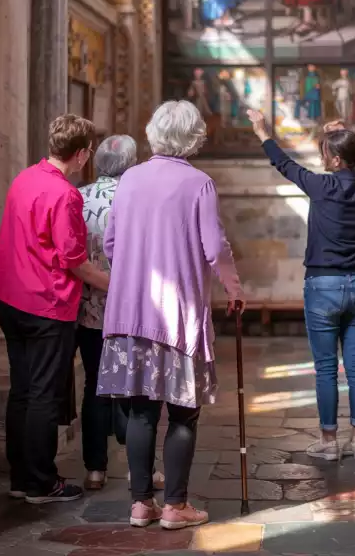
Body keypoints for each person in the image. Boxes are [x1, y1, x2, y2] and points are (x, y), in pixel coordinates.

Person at [97, 100, 245, 529]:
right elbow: (214, 248)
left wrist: (132, 272)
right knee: (183, 411)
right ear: (193, 136)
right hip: (176, 317)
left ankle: (142, 504)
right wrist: (234, 288)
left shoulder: (129, 179)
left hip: (130, 312)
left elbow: (110, 244)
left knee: (141, 410)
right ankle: (176, 507)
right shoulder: (198, 183)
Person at [0, 114, 110, 504]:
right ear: (81, 153)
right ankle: (42, 482)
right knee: (43, 394)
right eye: (88, 152)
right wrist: (122, 286)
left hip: (8, 298)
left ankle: (21, 477)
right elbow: (76, 262)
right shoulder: (66, 194)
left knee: (21, 389)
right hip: (44, 304)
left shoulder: (24, 178)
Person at [247, 110, 355, 461]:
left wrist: (262, 131)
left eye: (325, 154)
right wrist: (334, 137)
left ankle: (330, 442)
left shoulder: (322, 186)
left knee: (326, 369)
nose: (321, 159)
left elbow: (284, 164)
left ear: (334, 160)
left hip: (323, 286)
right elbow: (343, 158)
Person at [77, 134, 164, 492]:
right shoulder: (139, 196)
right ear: (131, 163)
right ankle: (136, 470)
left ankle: (95, 469)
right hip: (129, 308)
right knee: (132, 387)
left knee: (94, 385)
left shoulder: (78, 197)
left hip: (88, 310)